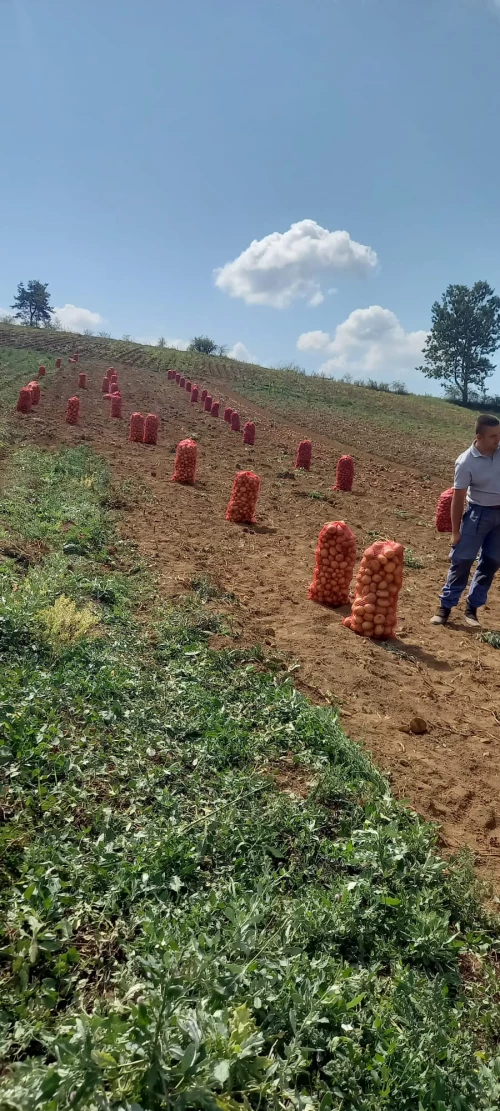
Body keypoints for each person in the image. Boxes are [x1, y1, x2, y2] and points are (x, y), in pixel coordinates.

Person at [431, 413, 500, 628]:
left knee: (491, 563)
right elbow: (458, 498)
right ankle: (445, 607)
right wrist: (455, 531)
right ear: (479, 437)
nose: (498, 440)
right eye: (493, 436)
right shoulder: (465, 462)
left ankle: (472, 609)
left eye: (499, 435)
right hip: (477, 514)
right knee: (462, 561)